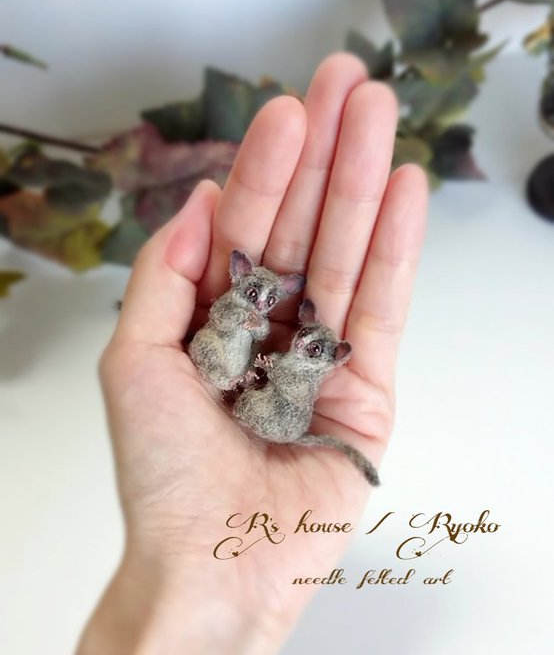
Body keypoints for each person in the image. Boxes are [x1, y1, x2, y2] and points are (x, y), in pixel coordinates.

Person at [76, 52, 428, 654]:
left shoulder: (297, 353)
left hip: (274, 406)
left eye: (270, 297)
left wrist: (270, 361)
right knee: (235, 363)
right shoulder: (240, 308)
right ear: (242, 280)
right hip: (235, 370)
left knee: (260, 388)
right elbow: (250, 338)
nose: (264, 303)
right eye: (256, 293)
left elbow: (286, 372)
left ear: (331, 357)